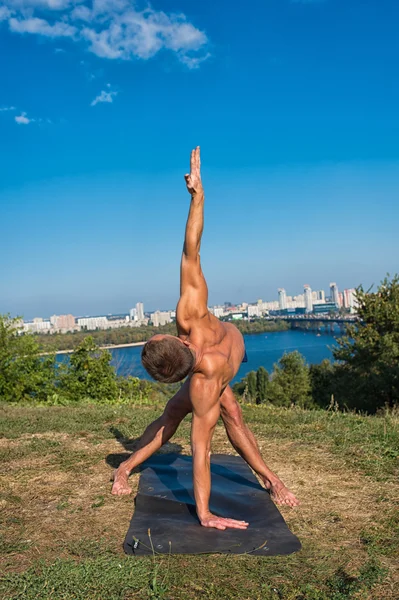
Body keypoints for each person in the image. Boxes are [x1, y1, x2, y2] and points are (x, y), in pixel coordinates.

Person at [111, 147, 299, 530]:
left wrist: (198, 197)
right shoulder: (191, 321)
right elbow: (201, 452)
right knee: (224, 413)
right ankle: (270, 478)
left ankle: (127, 466)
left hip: (222, 361)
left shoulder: (193, 341)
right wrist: (205, 513)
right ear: (180, 342)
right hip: (228, 354)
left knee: (183, 415)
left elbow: (191, 250)